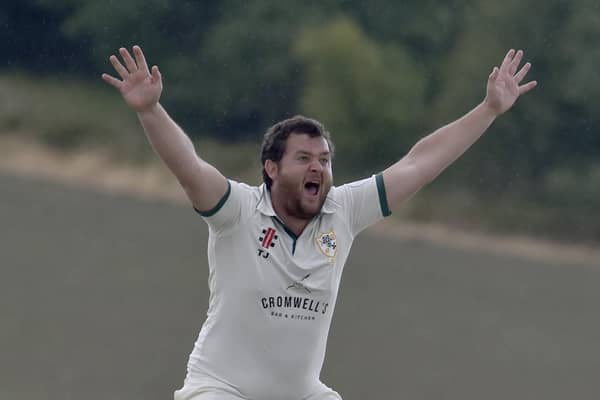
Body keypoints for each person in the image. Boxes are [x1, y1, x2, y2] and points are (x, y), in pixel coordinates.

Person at [102, 45, 536, 400]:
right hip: (219, 390)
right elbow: (189, 166)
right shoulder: (237, 211)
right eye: (305, 159)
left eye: (325, 160)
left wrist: (488, 109)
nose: (319, 169)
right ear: (271, 168)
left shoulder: (343, 212)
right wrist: (150, 112)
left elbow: (419, 163)